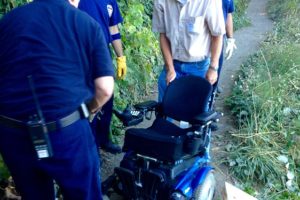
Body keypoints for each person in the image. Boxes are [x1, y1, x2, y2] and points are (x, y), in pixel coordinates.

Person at [0, 0, 114, 199]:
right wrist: (88, 111)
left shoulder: (8, 21)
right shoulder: (85, 23)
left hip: (13, 134)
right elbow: (105, 89)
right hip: (66, 131)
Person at [152, 0, 226, 103]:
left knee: (196, 113)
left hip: (199, 67)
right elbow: (163, 35)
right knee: (164, 110)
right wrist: (170, 68)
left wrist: (213, 68)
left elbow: (217, 35)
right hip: (172, 64)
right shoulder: (161, 2)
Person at [79, 0, 126, 154]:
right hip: (81, 54)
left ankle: (103, 139)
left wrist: (121, 57)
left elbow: (113, 29)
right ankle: (91, 147)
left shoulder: (109, 1)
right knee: (91, 99)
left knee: (107, 99)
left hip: (103, 52)